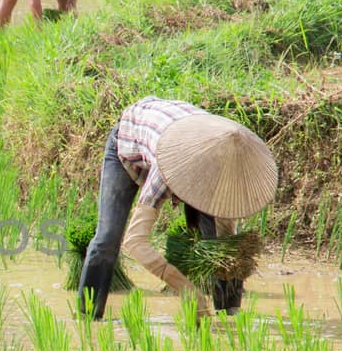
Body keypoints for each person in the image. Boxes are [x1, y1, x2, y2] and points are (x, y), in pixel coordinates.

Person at [77, 97, 277, 319]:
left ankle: (229, 313)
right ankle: (88, 318)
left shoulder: (225, 157)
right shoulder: (170, 166)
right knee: (108, 239)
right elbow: (135, 242)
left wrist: (229, 257)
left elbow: (226, 232)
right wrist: (186, 289)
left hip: (177, 128)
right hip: (128, 139)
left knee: (221, 244)